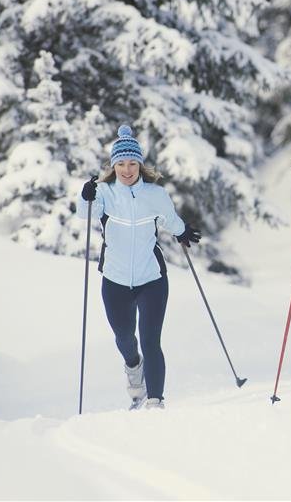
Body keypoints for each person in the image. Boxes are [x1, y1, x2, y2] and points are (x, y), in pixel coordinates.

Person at [77, 125, 201, 410]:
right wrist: (85, 196)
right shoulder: (105, 192)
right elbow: (85, 215)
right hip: (115, 280)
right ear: (113, 166)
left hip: (151, 279)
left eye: (132, 163)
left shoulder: (154, 194)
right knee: (124, 338)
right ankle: (134, 369)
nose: (127, 169)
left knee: (150, 339)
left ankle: (155, 401)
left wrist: (182, 232)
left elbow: (170, 219)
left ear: (140, 165)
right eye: (121, 163)